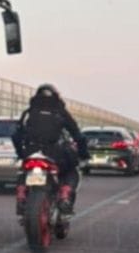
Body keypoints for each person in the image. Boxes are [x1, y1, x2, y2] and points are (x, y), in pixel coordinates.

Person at [11, 83, 89, 214]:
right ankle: (64, 196)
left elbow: (16, 136)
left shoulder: (29, 112)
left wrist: (21, 153)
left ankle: (21, 194)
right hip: (55, 154)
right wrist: (84, 154)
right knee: (71, 171)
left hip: (31, 152)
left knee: (23, 171)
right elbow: (78, 136)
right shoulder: (61, 112)